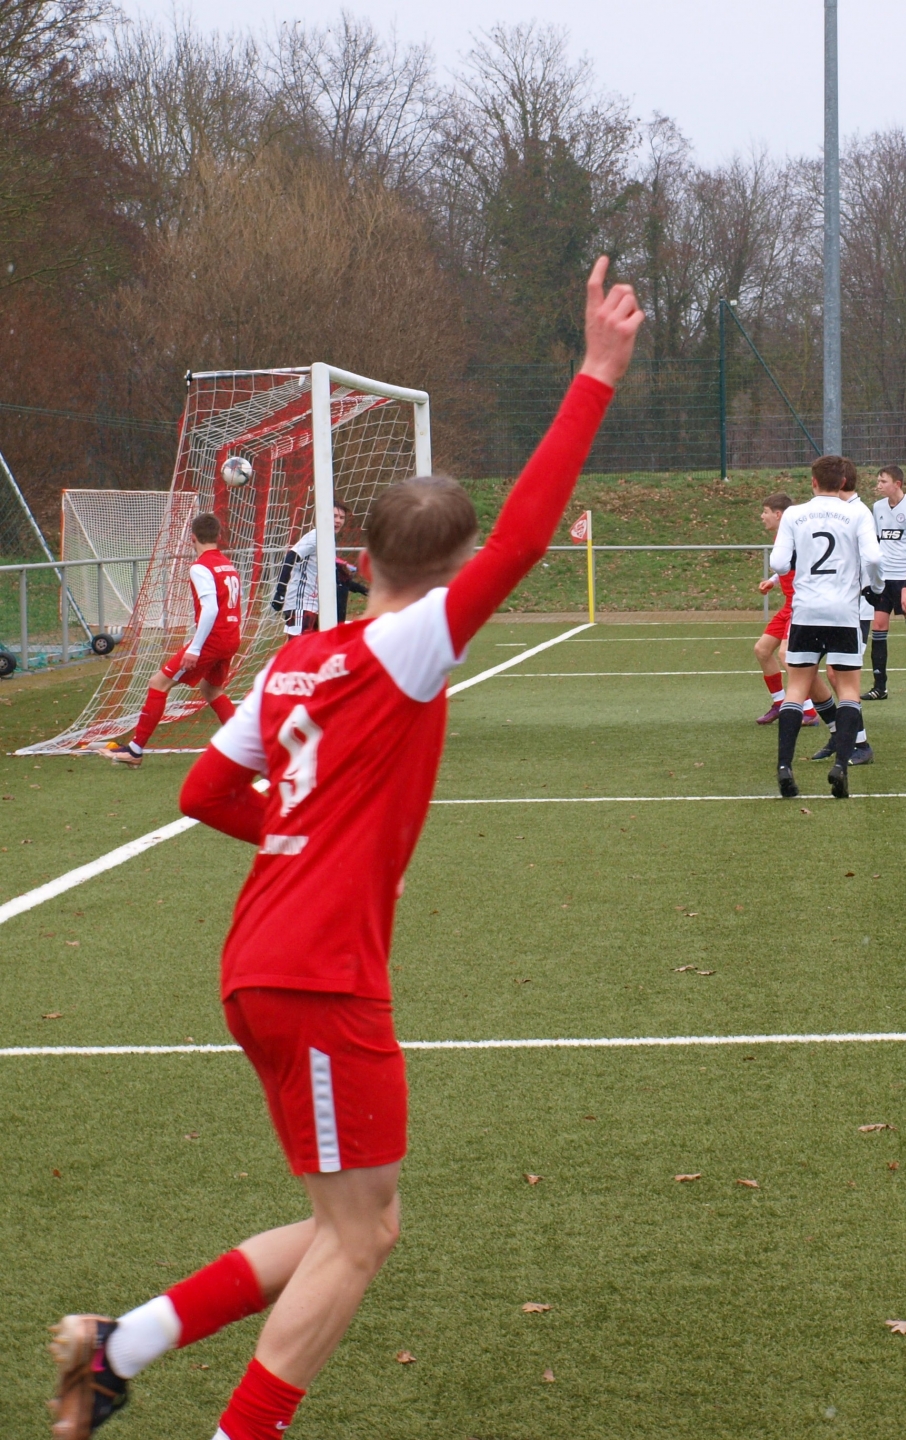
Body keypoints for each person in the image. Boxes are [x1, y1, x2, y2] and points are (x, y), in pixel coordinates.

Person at [48, 258, 643, 1440]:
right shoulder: (408, 652)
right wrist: (594, 373)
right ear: (446, 573)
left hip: (265, 960)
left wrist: (293, 833)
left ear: (362, 554)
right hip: (319, 975)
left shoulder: (299, 661)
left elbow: (206, 789)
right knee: (360, 1238)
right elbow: (525, 537)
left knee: (351, 1222)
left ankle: (124, 1344)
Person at [768, 455, 882, 799]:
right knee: (848, 688)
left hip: (806, 611)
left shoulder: (794, 513)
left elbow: (778, 562)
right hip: (844, 612)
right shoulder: (858, 513)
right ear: (844, 482)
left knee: (797, 687)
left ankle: (785, 766)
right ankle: (842, 766)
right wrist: (875, 588)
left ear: (813, 482)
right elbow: (874, 558)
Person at [94, 513, 243, 767]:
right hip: (231, 637)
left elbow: (210, 610)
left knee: (158, 683)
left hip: (212, 640)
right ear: (219, 537)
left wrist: (195, 648)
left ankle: (135, 750)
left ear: (192, 537)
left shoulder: (200, 567)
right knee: (211, 689)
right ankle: (246, 743)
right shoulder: (227, 565)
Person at [752, 494, 816, 729]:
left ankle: (808, 709)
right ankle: (780, 703)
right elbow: (786, 565)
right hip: (789, 604)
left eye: (765, 511)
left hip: (800, 604)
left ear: (778, 514)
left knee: (785, 655)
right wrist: (773, 581)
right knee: (762, 650)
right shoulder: (785, 535)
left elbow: (804, 563)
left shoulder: (795, 534)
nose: (762, 516)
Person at [865, 464, 906, 700]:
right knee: (878, 627)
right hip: (883, 579)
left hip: (905, 580)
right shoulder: (877, 508)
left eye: (883, 481)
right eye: (878, 481)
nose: (878, 485)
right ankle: (879, 686)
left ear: (897, 484)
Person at [273, 506, 367, 637]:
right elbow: (290, 557)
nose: (338, 521)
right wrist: (280, 592)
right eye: (334, 516)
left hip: (315, 605)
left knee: (313, 649)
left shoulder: (328, 541)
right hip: (301, 603)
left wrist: (364, 590)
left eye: (341, 517)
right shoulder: (315, 536)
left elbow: (333, 576)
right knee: (299, 648)